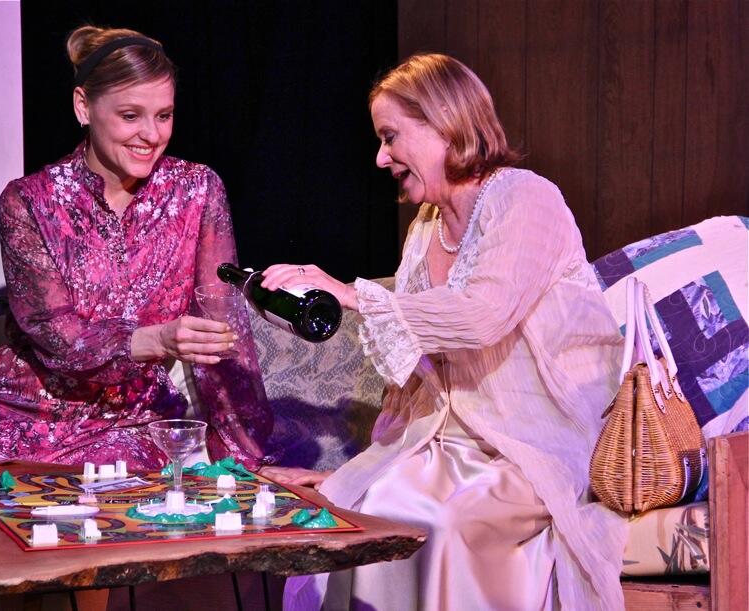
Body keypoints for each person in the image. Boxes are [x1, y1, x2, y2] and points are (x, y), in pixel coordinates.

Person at [259, 54, 627, 610]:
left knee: (442, 521)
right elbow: (417, 372)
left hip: (528, 444)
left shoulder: (526, 198)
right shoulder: (425, 229)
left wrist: (353, 294)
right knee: (361, 513)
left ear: (444, 124)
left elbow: (481, 316)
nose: (381, 157)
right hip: (442, 443)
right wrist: (359, 468)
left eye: (390, 137)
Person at [0, 26, 273, 472]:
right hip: (22, 413)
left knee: (115, 493)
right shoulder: (29, 202)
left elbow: (223, 331)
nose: (151, 135)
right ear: (83, 106)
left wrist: (244, 462)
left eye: (164, 115)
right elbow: (56, 335)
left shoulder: (197, 191)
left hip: (129, 423)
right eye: (130, 115)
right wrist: (157, 338)